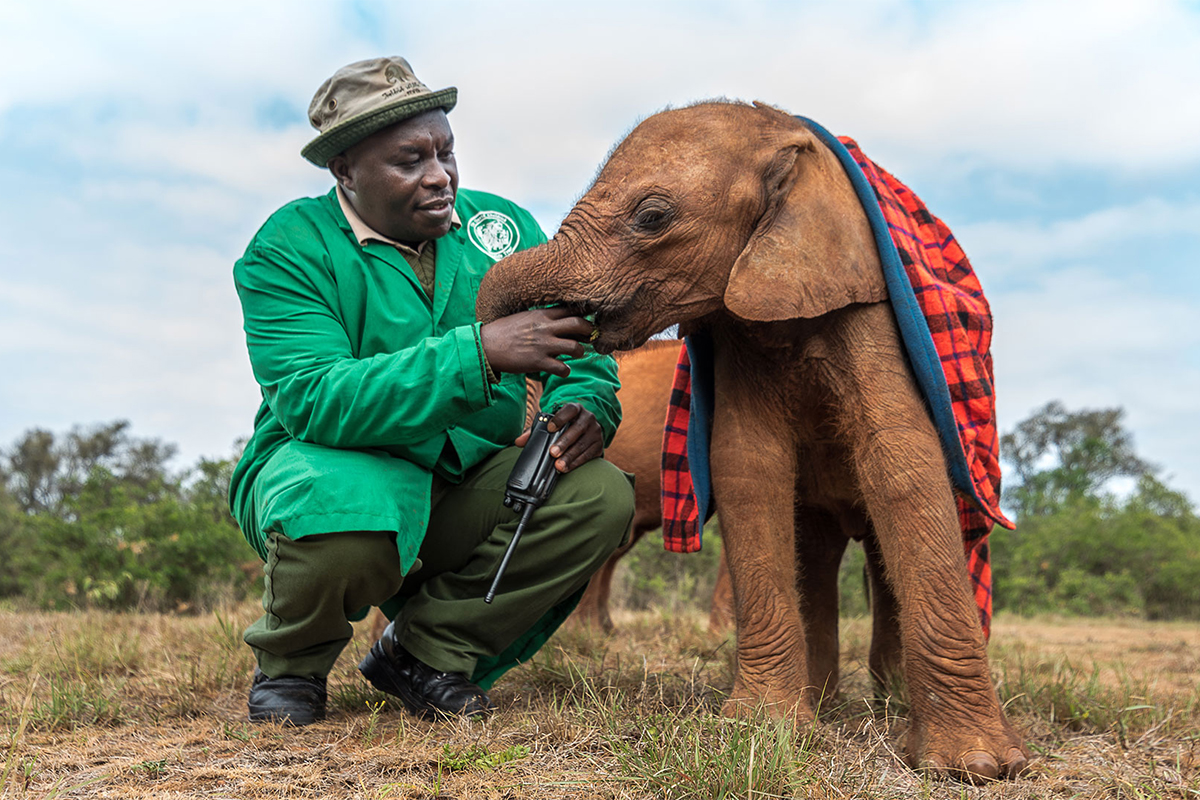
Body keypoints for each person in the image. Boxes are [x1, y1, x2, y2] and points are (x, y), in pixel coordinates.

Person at [228, 56, 635, 726]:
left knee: (599, 496)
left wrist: (587, 404)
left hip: (467, 477)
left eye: (445, 152)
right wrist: (480, 353)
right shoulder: (288, 249)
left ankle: (426, 652)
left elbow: (579, 343)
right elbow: (313, 397)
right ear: (345, 171)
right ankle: (293, 662)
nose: (440, 175)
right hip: (333, 466)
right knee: (343, 508)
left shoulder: (502, 228)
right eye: (409, 160)